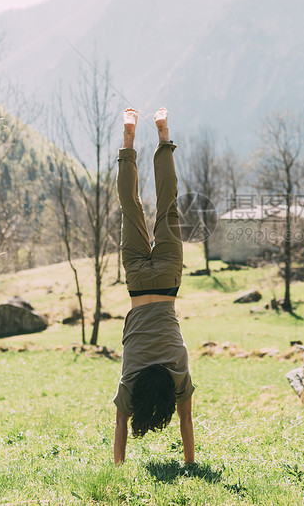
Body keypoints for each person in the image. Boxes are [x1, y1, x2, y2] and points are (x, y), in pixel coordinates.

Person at [113, 107, 195, 465]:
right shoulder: (130, 378)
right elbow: (119, 423)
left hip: (167, 278)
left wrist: (191, 461)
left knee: (167, 206)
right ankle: (128, 142)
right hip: (135, 280)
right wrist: (117, 464)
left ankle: (163, 136)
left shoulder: (178, 373)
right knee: (130, 208)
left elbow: (187, 419)